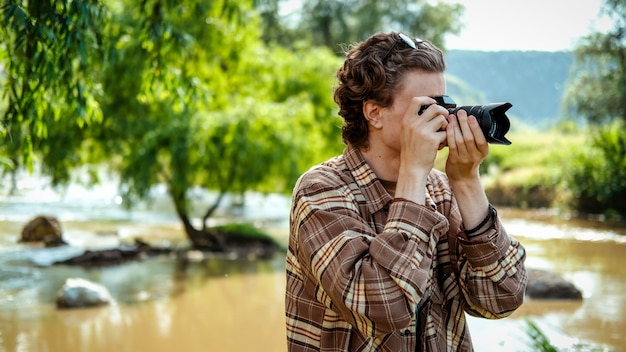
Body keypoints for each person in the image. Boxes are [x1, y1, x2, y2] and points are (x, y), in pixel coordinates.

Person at [284, 31, 527, 351]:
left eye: (445, 103)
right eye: (427, 107)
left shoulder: (440, 189)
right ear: (374, 113)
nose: (443, 116)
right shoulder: (321, 191)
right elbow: (386, 308)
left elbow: (501, 299)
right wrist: (412, 172)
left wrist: (467, 181)